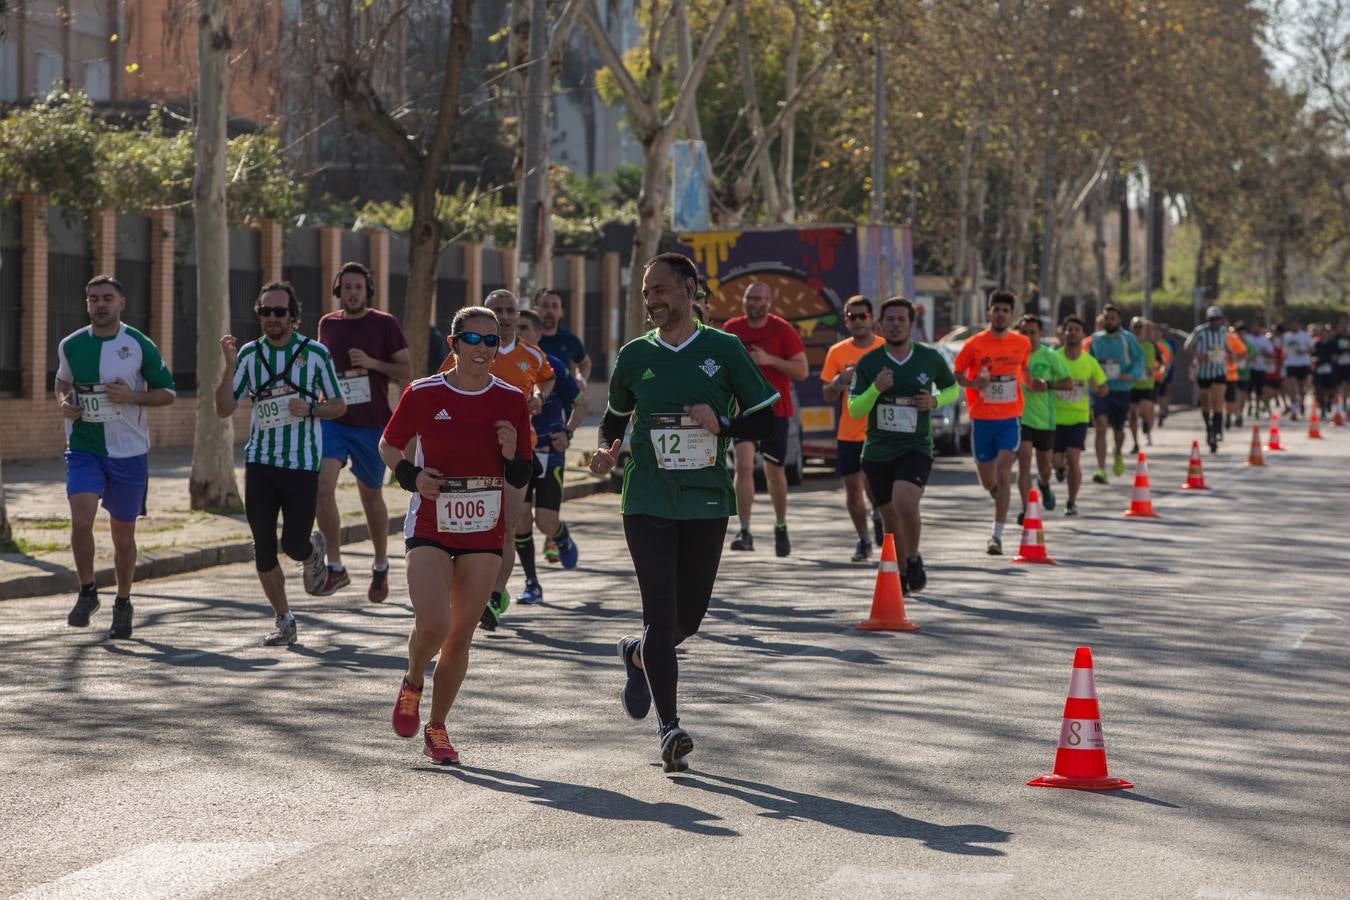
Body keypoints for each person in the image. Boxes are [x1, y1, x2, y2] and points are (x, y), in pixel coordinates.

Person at [588, 252, 777, 774]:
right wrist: (607, 449)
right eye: (646, 292)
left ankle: (636, 654)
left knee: (687, 619)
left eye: (662, 290)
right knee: (660, 612)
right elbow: (613, 419)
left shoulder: (725, 349)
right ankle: (670, 728)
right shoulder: (632, 355)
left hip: (707, 499)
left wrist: (723, 424)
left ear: (691, 289)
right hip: (646, 498)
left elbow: (769, 424)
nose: (652, 300)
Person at [381, 306, 533, 765]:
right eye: (474, 339)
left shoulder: (510, 399)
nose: (483, 349)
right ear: (454, 344)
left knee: (460, 636)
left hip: (483, 527)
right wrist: (412, 476)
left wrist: (511, 454)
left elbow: (524, 470)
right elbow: (388, 444)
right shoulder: (424, 393)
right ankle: (412, 680)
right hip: (430, 521)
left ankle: (438, 725)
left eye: (492, 341)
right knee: (434, 623)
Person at [216, 282, 346, 646]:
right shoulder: (248, 355)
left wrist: (313, 409)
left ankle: (311, 550)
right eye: (265, 312)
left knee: (293, 544)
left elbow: (339, 405)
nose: (272, 318)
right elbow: (223, 408)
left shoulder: (315, 354)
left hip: (302, 464)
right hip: (260, 462)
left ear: (293, 316)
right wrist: (228, 368)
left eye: (279, 312)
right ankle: (284, 619)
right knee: (262, 545)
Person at [56, 275, 177, 639]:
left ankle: (123, 602)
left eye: (108, 298)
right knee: (81, 517)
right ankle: (87, 591)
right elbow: (63, 380)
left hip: (129, 453)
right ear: (87, 303)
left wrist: (132, 397)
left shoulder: (139, 344)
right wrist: (63, 401)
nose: (100, 305)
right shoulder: (72, 344)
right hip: (84, 446)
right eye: (94, 299)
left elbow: (167, 393)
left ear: (121, 303)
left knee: (122, 536)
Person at [440, 290, 555, 629]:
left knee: (505, 524)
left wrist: (538, 398)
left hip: (516, 451)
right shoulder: (464, 350)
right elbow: (442, 386)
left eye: (510, 310)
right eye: (497, 310)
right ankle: (464, 590)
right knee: (469, 524)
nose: (504, 316)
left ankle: (493, 596)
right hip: (470, 452)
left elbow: (547, 380)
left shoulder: (531, 354)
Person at [314, 261, 412, 601]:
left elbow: (406, 369)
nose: (352, 292)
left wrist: (372, 364)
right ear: (338, 290)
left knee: (370, 496)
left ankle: (381, 564)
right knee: (322, 486)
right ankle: (336, 566)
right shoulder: (327, 323)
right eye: (347, 287)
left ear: (367, 290)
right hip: (333, 419)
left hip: (371, 423)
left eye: (358, 287)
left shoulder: (384, 324)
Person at [847, 297, 958, 592]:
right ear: (879, 325)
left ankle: (914, 557)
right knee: (889, 517)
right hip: (877, 451)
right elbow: (855, 408)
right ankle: (903, 571)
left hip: (916, 446)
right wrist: (876, 389)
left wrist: (934, 401)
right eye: (890, 320)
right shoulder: (869, 363)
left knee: (905, 501)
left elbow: (953, 389)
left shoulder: (929, 357)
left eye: (901, 320)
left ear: (911, 324)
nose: (895, 325)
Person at [722, 281, 808, 556]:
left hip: (776, 411)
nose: (753, 303)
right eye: (749, 298)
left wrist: (768, 360)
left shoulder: (782, 329)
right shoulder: (733, 329)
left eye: (759, 298)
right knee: (743, 467)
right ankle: (744, 530)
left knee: (774, 473)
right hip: (744, 410)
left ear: (769, 301)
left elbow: (802, 370)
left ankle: (781, 525)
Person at [513, 309, 587, 605]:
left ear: (538, 334)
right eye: (514, 328)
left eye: (524, 328)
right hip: (518, 455)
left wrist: (567, 433)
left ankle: (560, 533)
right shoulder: (501, 366)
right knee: (520, 520)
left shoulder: (552, 366)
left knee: (545, 522)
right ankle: (532, 582)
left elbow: (581, 404)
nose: (518, 334)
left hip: (548, 454)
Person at [952, 290, 1033, 555]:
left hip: (1010, 418)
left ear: (1012, 315)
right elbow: (956, 374)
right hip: (982, 419)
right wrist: (975, 383)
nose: (1000, 314)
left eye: (1005, 311)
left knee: (1003, 470)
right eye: (996, 310)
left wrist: (1034, 383)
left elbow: (1024, 370)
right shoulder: (975, 344)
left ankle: (996, 536)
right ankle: (994, 491)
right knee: (988, 480)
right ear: (989, 312)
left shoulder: (1021, 343)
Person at [820, 295, 885, 561]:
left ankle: (879, 512)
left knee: (875, 487)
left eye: (862, 316)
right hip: (849, 432)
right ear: (846, 320)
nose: (857, 321)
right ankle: (863, 539)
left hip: (880, 431)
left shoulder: (884, 348)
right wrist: (838, 381)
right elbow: (827, 395)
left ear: (871, 319)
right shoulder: (837, 352)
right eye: (851, 316)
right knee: (853, 492)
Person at [1014, 314, 1072, 522]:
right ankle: (1026, 507)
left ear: (1040, 334)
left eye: (1032, 332)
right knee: (1024, 462)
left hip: (1045, 421)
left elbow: (1068, 383)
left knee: (1045, 468)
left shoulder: (1050, 356)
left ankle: (1045, 485)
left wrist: (1047, 385)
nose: (1028, 336)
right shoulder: (1013, 355)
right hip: (1022, 418)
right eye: (1024, 332)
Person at [1051, 316, 1109, 516]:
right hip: (1055, 418)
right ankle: (1059, 469)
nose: (1073, 332)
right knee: (1056, 461)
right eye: (1069, 329)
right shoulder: (1055, 357)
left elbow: (1104, 388)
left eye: (1077, 329)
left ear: (1083, 335)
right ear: (1064, 333)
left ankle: (1071, 501)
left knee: (1074, 458)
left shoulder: (1090, 361)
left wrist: (1096, 389)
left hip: (1079, 418)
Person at [1088, 304, 1144, 479]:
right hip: (1102, 390)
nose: (1110, 321)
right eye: (1107, 318)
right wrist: (1093, 383)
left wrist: (1131, 374)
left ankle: (1118, 453)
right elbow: (1090, 363)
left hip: (1122, 389)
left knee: (1119, 430)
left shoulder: (1127, 338)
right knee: (1101, 427)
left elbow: (1139, 359)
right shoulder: (1096, 339)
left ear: (1119, 320)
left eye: (1113, 318)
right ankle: (1101, 469)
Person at [1184, 305, 1235, 454]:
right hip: (1204, 372)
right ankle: (1209, 428)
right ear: (1208, 319)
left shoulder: (1223, 331)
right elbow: (1187, 346)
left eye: (1217, 319)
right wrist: (1198, 356)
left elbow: (1226, 347)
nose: (1215, 322)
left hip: (1219, 371)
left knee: (1218, 401)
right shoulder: (1200, 331)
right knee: (1206, 403)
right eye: (1212, 319)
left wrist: (1230, 354)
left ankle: (1217, 429)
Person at [535, 288, 592, 381]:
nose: (550, 311)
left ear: (561, 312)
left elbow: (585, 362)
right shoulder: (526, 339)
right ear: (536, 309)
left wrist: (581, 380)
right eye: (545, 306)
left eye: (555, 306)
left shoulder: (570, 339)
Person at [1126, 317, 1162, 454]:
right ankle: (1135, 443)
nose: (1138, 330)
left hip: (1147, 384)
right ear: (1131, 329)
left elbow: (1161, 363)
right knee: (1133, 416)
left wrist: (1154, 369)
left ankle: (1147, 425)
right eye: (1135, 327)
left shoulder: (1151, 345)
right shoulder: (1126, 344)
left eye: (1140, 327)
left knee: (1144, 410)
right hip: (1131, 384)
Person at [1281, 318, 1314, 419]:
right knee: (1291, 385)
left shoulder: (1305, 335)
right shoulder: (1286, 336)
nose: (1294, 326)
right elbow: (1283, 349)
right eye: (1292, 324)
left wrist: (1303, 351)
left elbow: (1312, 348)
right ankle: (1294, 408)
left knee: (1301, 387)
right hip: (1290, 364)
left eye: (1296, 324)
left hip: (1303, 364)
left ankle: (1301, 402)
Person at [1225, 321, 1255, 430]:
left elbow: (1252, 356)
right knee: (1235, 396)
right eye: (1240, 332)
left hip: (1245, 374)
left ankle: (1239, 414)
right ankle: (1235, 413)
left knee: (1242, 396)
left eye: (1244, 332)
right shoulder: (1230, 341)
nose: (1242, 335)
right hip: (1233, 374)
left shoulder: (1249, 345)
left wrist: (1243, 358)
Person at [1313, 322, 1339, 419]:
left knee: (1330, 389)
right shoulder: (1317, 344)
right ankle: (1323, 409)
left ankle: (1329, 402)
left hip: (1330, 368)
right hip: (1319, 369)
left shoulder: (1333, 343)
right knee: (1320, 390)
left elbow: (1335, 356)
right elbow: (1313, 355)